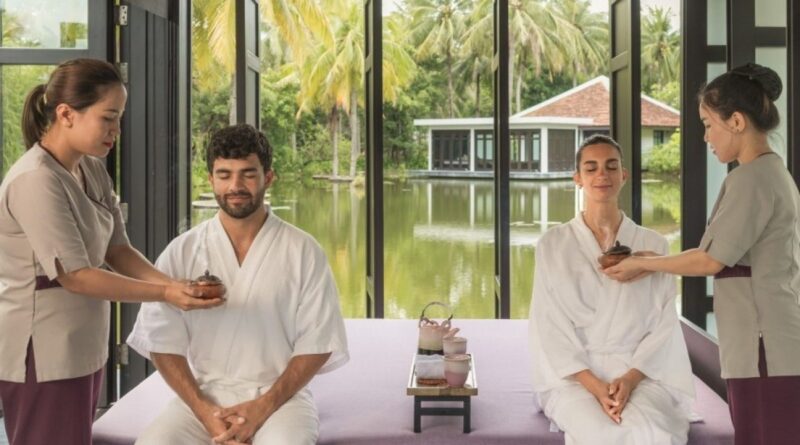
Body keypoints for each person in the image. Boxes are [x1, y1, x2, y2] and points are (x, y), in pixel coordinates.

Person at [0, 58, 223, 445]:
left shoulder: (90, 169)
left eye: (119, 118)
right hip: (43, 352)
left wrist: (176, 286)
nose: (116, 130)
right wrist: (165, 294)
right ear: (66, 114)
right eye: (108, 118)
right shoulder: (35, 179)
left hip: (81, 342)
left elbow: (118, 249)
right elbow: (76, 275)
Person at [603, 62, 800, 444]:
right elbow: (717, 251)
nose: (706, 136)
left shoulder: (751, 178)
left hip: (763, 345)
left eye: (708, 125)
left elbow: (711, 260)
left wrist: (641, 262)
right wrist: (650, 262)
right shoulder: (770, 173)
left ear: (737, 122)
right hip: (767, 340)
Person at [128, 123, 349, 445]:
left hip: (281, 401)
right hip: (203, 398)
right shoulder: (182, 250)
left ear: (268, 177)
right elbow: (160, 339)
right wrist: (205, 412)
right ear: (211, 179)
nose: (235, 186)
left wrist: (262, 407)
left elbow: (318, 342)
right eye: (224, 175)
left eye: (248, 174)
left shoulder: (303, 250)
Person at [528, 134, 695, 445]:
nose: (602, 175)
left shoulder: (654, 245)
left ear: (624, 175)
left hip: (640, 374)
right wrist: (595, 386)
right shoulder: (553, 244)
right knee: (600, 433)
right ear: (577, 178)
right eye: (591, 168)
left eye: (611, 166)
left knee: (656, 433)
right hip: (574, 378)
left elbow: (664, 326)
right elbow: (547, 327)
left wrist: (629, 379)